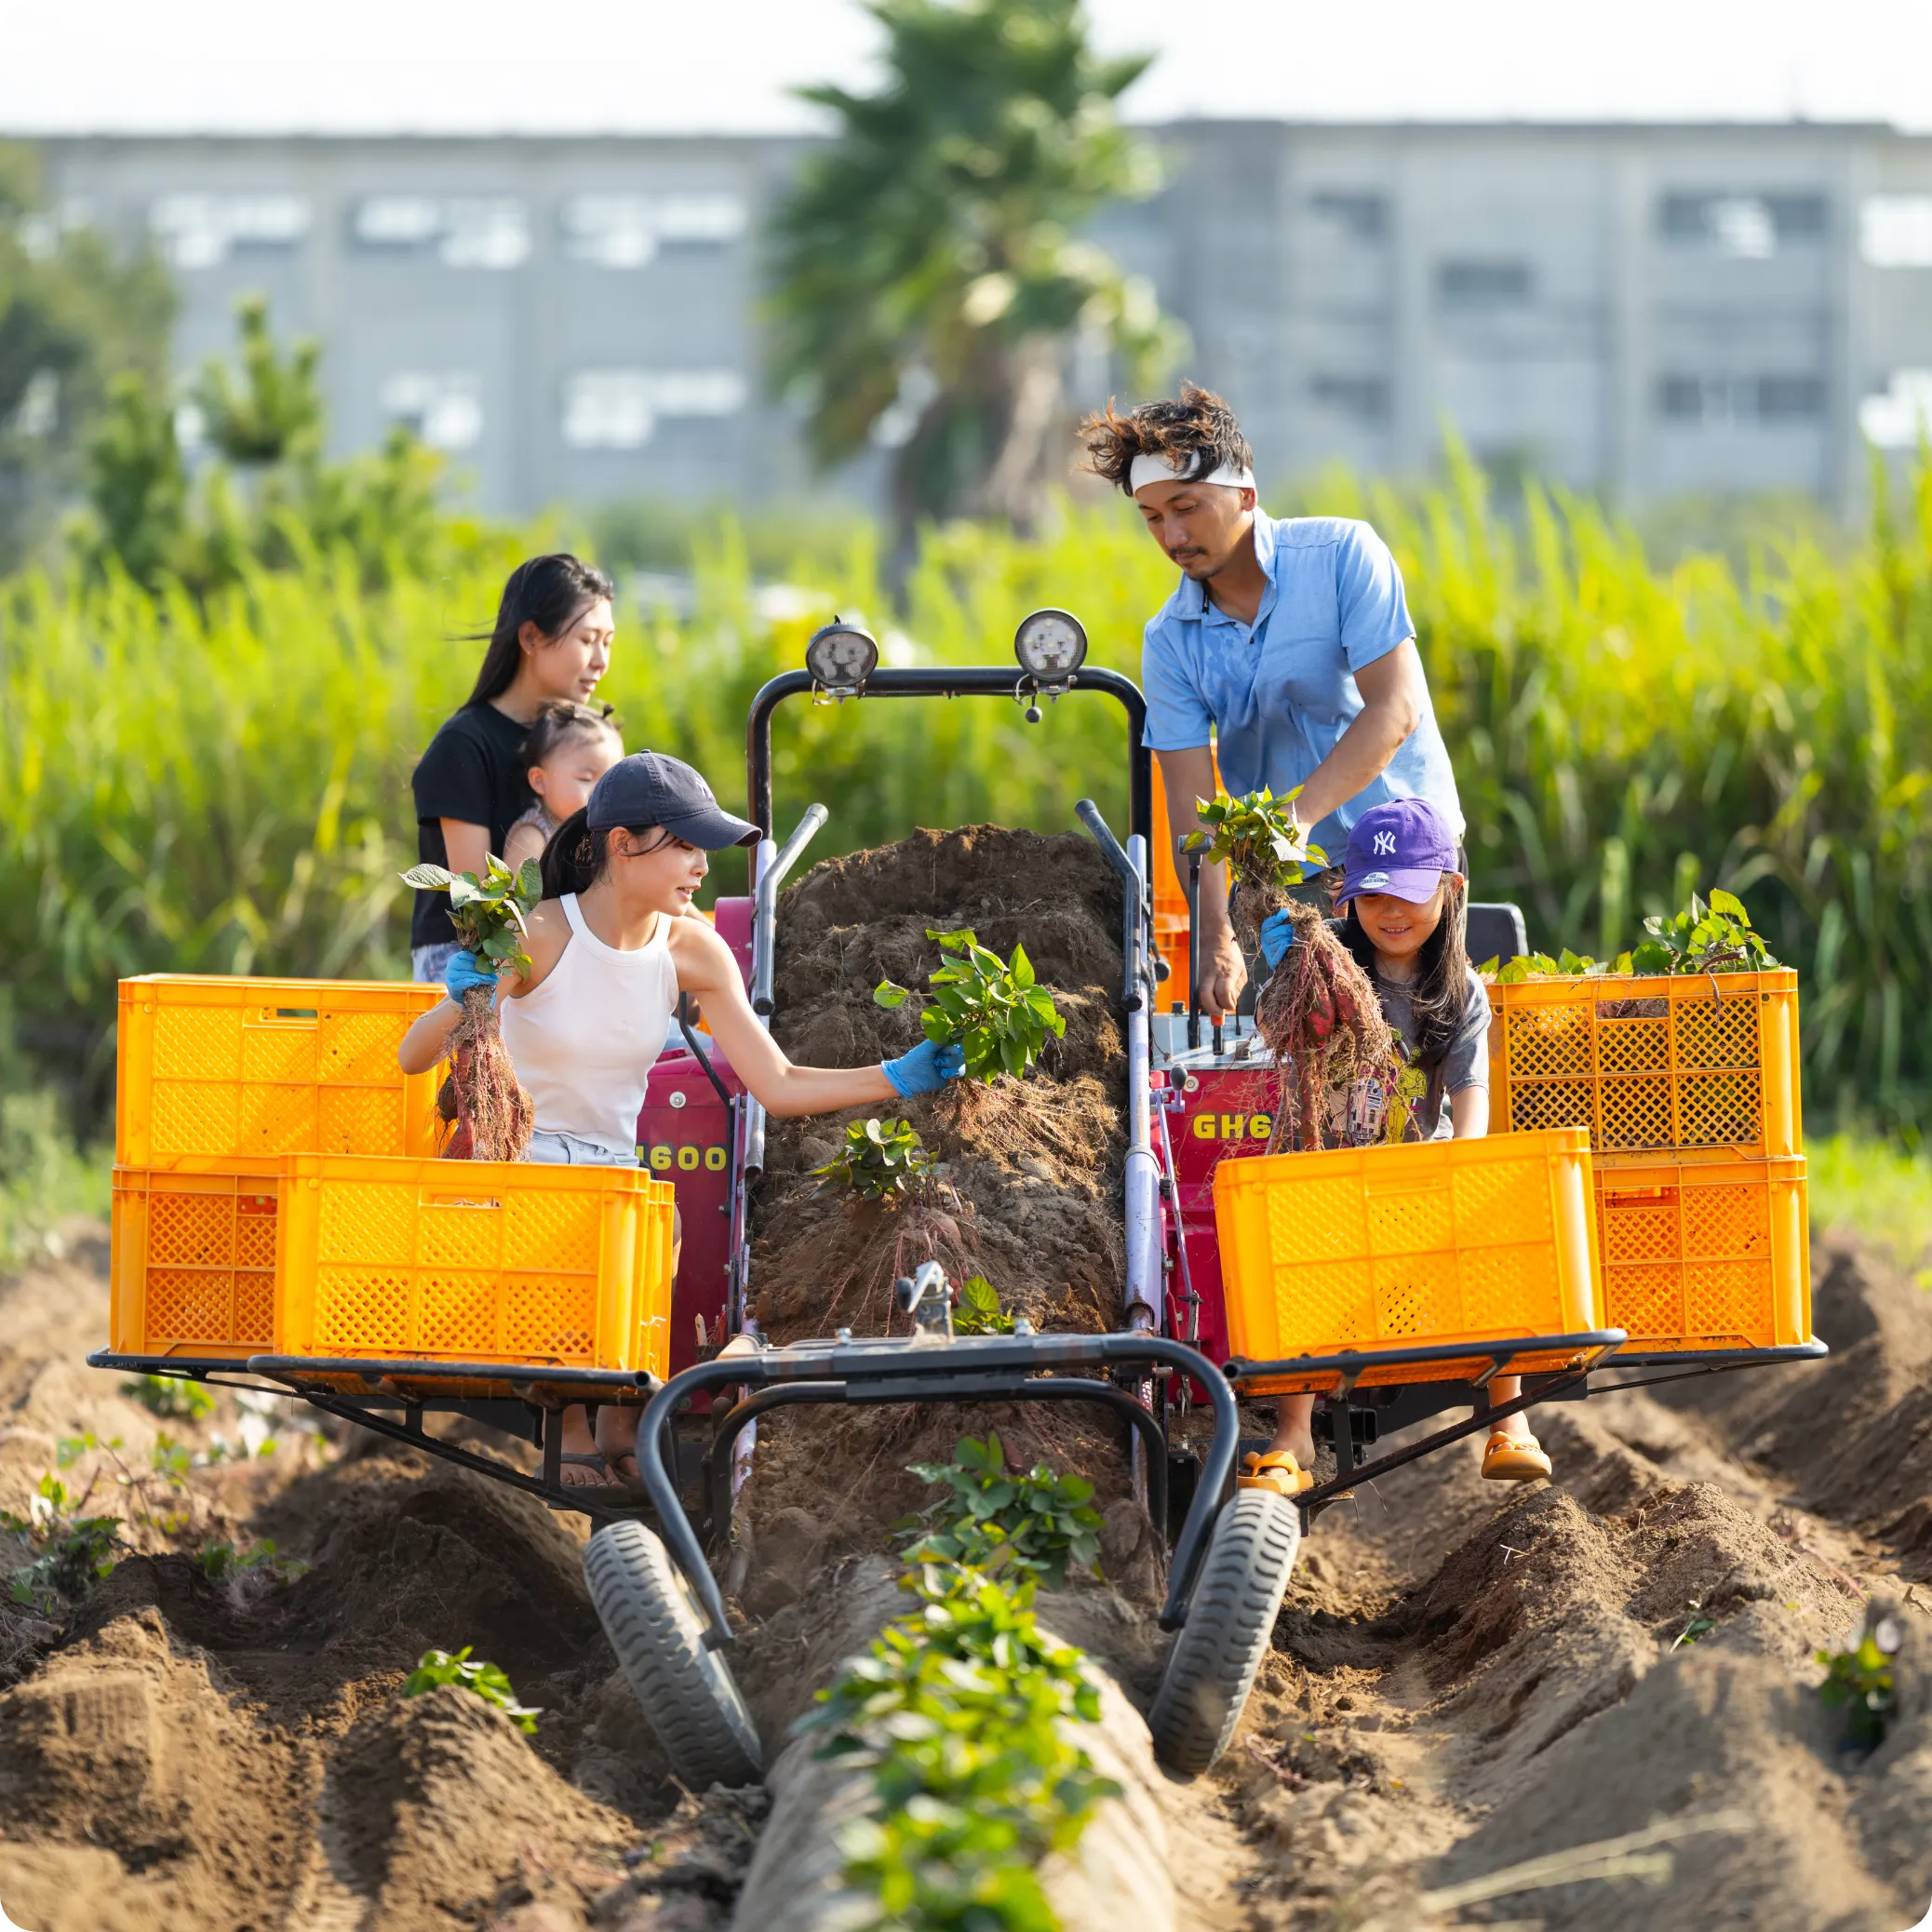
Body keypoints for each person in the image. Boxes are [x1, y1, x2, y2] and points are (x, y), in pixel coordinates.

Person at [397, 750, 968, 1490]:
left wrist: (896, 1076)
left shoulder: (691, 948)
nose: (702, 866)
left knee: (651, 1216)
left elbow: (778, 1081)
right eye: (687, 846)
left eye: (706, 849)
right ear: (621, 843)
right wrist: (461, 994)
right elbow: (414, 1057)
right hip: (521, 1170)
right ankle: (569, 1423)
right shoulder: (538, 934)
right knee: (591, 1225)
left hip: (610, 1173)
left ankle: (618, 1420)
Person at [1077, 382, 1464, 1016]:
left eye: (1188, 507)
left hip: (1408, 858)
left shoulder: (1345, 555)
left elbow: (1394, 711)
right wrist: (1216, 937)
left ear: (1246, 497)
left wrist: (1298, 820)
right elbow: (1191, 804)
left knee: (1421, 1048)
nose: (1172, 535)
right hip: (1291, 885)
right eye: (1153, 518)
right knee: (1309, 1068)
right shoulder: (1169, 641)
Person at [1236, 799, 1553, 1496]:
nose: (1390, 912)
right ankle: (1295, 1431)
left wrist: (1462, 1174)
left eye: (1408, 893)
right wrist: (1279, 971)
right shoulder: (1330, 969)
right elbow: (1272, 1030)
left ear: (1451, 889)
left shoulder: (1462, 991)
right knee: (1293, 1249)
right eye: (1371, 895)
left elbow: (1472, 1095)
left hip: (1419, 1174)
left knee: (1496, 1228)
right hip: (1328, 1167)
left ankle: (1508, 1421)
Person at [409, 553, 616, 985]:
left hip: (557, 947)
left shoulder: (586, 741)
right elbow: (481, 903)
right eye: (587, 639)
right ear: (530, 638)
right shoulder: (463, 745)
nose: (601, 660)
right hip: (471, 961)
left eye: (608, 642)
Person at [502, 699, 624, 875]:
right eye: (585, 778)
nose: (601, 791)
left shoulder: (602, 835)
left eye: (610, 780)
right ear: (540, 781)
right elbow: (515, 900)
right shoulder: (534, 836)